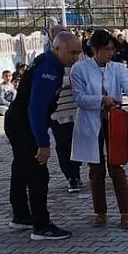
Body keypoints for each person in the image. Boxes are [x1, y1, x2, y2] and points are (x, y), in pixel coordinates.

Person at [4, 31, 84, 241]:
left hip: (18, 122)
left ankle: (21, 216)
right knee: (38, 175)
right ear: (57, 48)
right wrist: (43, 142)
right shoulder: (49, 70)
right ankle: (41, 226)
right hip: (24, 125)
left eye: (78, 53)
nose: (75, 57)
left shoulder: (49, 62)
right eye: (72, 52)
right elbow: (36, 109)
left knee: (21, 168)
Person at [71, 30, 128, 229]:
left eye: (113, 49)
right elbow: (79, 98)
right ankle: (100, 212)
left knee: (117, 167)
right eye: (106, 49)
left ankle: (125, 212)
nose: (110, 53)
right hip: (91, 122)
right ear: (94, 49)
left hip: (114, 122)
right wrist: (101, 100)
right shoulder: (79, 69)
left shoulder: (118, 68)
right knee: (96, 170)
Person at [46, 25, 83, 193]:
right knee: (63, 145)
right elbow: (52, 83)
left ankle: (76, 173)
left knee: (76, 144)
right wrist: (69, 82)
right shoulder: (47, 60)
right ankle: (71, 177)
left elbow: (82, 78)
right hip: (58, 111)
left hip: (76, 109)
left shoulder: (77, 57)